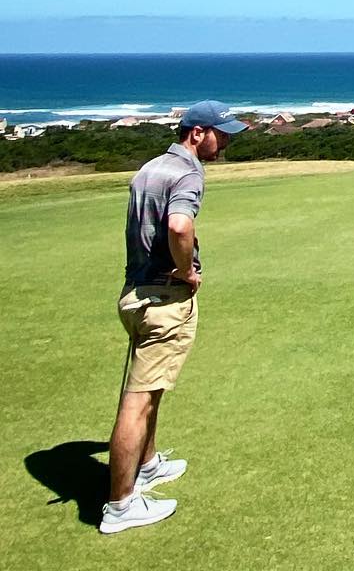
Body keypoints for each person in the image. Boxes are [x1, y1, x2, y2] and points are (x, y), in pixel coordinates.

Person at [100, 100, 247, 535]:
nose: (227, 142)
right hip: (164, 299)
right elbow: (180, 226)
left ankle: (146, 464)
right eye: (222, 134)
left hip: (136, 292)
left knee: (152, 389)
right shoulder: (187, 173)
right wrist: (187, 271)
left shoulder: (151, 168)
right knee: (139, 400)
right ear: (197, 132)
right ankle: (120, 506)